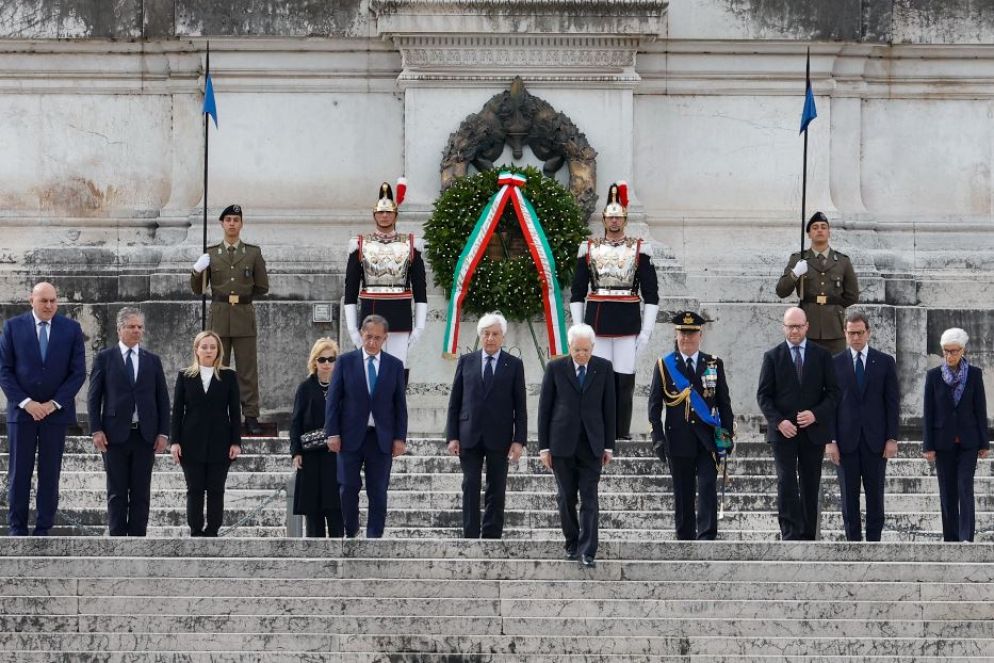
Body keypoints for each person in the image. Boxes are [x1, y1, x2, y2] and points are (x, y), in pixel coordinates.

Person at [570, 181, 658, 440]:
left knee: (623, 380)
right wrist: (578, 328)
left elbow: (651, 295)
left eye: (619, 218)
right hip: (596, 322)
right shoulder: (589, 248)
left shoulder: (640, 249)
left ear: (625, 219)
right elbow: (577, 292)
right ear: (604, 219)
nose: (615, 222)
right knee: (596, 379)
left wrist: (646, 332)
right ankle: (596, 430)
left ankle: (620, 431)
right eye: (611, 217)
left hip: (626, 323)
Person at [0, 282, 86, 536]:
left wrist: (52, 404)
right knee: (19, 473)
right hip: (21, 413)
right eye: (43, 301)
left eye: (53, 301)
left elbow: (77, 372)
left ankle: (43, 528)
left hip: (55, 415)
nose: (49, 306)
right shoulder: (13, 327)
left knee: (50, 473)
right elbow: (4, 371)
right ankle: (17, 528)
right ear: (31, 301)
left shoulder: (71, 329)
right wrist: (27, 404)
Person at [648, 311, 734, 541]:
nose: (686, 338)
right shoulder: (665, 365)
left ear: (700, 335)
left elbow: (723, 403)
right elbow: (654, 406)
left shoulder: (713, 363)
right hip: (678, 439)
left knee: (707, 487)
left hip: (707, 439)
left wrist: (727, 435)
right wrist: (657, 436)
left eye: (691, 333)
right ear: (676, 335)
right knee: (683, 491)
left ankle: (707, 536)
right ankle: (685, 537)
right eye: (682, 334)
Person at [757, 307, 839, 541]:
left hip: (812, 431)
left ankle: (807, 533)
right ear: (783, 327)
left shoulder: (822, 356)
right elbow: (764, 395)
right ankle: (790, 531)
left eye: (798, 326)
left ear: (807, 327)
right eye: (790, 326)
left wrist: (815, 414)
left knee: (810, 482)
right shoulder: (772, 356)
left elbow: (833, 393)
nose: (794, 330)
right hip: (783, 433)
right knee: (786, 481)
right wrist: (779, 421)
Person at [86, 308, 170, 536]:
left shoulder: (152, 361)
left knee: (141, 491)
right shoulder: (104, 358)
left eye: (140, 327)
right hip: (114, 435)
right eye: (131, 326)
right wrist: (95, 430)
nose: (136, 331)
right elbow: (94, 397)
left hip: (145, 436)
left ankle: (137, 537)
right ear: (119, 329)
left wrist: (163, 433)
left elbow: (162, 398)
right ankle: (117, 537)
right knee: (117, 490)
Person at [538, 323, 616, 568]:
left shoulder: (603, 368)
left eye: (586, 350)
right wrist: (543, 448)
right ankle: (572, 542)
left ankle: (587, 550)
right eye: (577, 350)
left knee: (590, 498)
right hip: (562, 444)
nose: (581, 354)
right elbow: (545, 409)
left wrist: (608, 446)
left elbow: (609, 409)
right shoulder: (555, 368)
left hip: (592, 444)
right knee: (565, 498)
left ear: (592, 347)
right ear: (569, 347)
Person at [324, 314, 407, 538]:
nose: (372, 342)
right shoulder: (345, 361)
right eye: (368, 336)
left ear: (385, 338)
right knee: (348, 488)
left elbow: (400, 404)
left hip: (380, 438)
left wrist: (400, 437)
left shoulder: (395, 366)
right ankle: (351, 531)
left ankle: (374, 537)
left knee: (378, 490)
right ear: (361, 334)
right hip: (350, 437)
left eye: (377, 338)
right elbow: (333, 399)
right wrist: (332, 433)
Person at [445, 311, 527, 538]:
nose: (490, 338)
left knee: (496, 488)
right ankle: (470, 534)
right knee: (470, 484)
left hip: (499, 436)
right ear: (480, 336)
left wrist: (519, 440)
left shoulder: (514, 365)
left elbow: (520, 407)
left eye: (495, 334)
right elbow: (455, 401)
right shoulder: (466, 361)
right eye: (486, 334)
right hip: (468, 434)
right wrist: (452, 436)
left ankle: (491, 535)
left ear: (503, 337)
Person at [191, 203, 270, 435]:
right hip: (219, 315)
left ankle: (251, 415)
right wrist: (197, 270)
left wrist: (242, 297)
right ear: (222, 224)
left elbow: (263, 286)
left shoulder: (253, 253)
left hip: (244, 316)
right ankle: (217, 412)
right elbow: (198, 289)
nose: (232, 224)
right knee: (216, 367)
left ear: (241, 224)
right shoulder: (212, 253)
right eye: (228, 220)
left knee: (247, 370)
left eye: (236, 220)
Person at [826, 311, 899, 542]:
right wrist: (831, 441)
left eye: (860, 332)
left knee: (875, 496)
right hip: (845, 442)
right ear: (844, 334)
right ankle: (853, 543)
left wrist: (891, 438)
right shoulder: (835, 363)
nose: (855, 337)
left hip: (875, 442)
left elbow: (892, 403)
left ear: (868, 332)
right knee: (849, 498)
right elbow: (830, 405)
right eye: (851, 333)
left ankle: (874, 542)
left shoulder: (885, 362)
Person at [343, 180, 427, 375]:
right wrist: (352, 328)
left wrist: (420, 326)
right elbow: (350, 290)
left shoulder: (411, 245)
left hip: (400, 316)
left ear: (395, 215)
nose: (384, 216)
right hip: (370, 315)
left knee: (397, 371)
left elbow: (420, 290)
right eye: (380, 212)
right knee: (369, 371)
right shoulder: (360, 245)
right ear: (374, 215)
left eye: (388, 212)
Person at [169, 331, 242, 537]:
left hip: (221, 441)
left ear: (218, 350)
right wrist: (175, 442)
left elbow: (235, 411)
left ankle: (213, 529)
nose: (208, 350)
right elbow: (178, 410)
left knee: (216, 488)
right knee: (195, 488)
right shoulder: (185, 375)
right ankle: (195, 528)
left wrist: (236, 441)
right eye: (204, 346)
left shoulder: (228, 376)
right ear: (197, 349)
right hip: (190, 441)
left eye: (212, 347)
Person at [923, 327, 990, 542]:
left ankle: (966, 537)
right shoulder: (933, 376)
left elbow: (980, 409)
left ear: (963, 350)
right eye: (946, 351)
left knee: (964, 486)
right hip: (943, 442)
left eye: (954, 351)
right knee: (947, 491)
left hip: (968, 442)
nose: (949, 355)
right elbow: (928, 412)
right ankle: (951, 538)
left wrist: (984, 442)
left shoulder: (974, 374)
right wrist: (928, 446)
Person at [775, 211, 859, 355]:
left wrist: (834, 306)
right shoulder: (798, 259)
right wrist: (795, 273)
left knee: (835, 374)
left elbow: (853, 296)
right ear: (808, 234)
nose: (819, 230)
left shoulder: (843, 261)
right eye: (815, 227)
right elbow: (781, 291)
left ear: (829, 232)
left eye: (823, 227)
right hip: (807, 328)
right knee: (808, 374)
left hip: (835, 329)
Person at [289, 337, 344, 538]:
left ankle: (339, 554)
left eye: (331, 359)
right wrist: (295, 452)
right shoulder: (305, 388)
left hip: (335, 455)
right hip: (311, 456)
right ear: (315, 361)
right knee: (314, 512)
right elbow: (295, 421)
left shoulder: (344, 386)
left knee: (336, 508)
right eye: (322, 359)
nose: (327, 363)